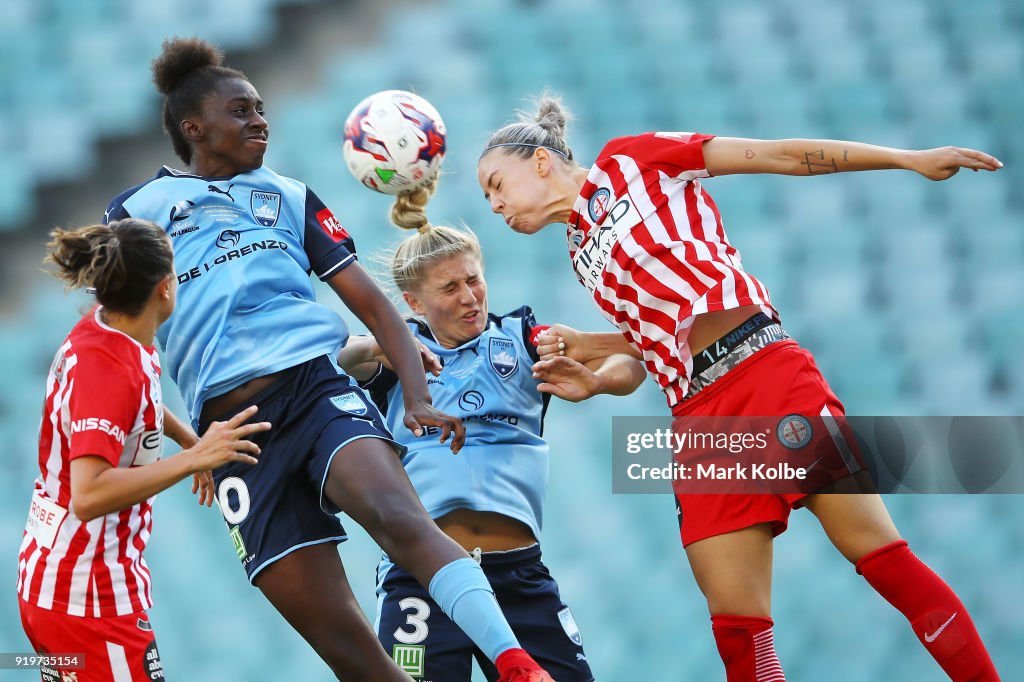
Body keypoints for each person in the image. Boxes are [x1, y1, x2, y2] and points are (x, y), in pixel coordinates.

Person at [476, 95, 1003, 682]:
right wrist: (596, 375)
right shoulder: (580, 252)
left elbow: (775, 155)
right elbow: (650, 350)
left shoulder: (633, 160)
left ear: (540, 161)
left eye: (497, 184)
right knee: (740, 639)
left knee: (883, 561)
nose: (494, 205)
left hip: (765, 372)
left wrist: (906, 159)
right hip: (698, 417)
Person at [101, 37, 554, 681]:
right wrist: (191, 443)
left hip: (314, 390)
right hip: (234, 440)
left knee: (400, 518)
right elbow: (123, 339)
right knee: (344, 643)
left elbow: (371, 301)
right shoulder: (134, 213)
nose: (259, 120)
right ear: (193, 127)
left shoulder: (289, 195)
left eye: (260, 108)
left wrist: (419, 397)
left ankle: (516, 665)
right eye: (241, 111)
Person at [336, 178, 647, 681]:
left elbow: (631, 356)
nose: (470, 297)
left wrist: (595, 382)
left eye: (474, 280)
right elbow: (339, 360)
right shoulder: (398, 353)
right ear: (414, 303)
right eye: (450, 288)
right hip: (421, 580)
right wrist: (380, 345)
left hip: (517, 577)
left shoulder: (524, 339)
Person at [18, 219, 270, 682]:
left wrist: (185, 437)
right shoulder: (109, 369)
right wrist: (195, 458)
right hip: (88, 600)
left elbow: (137, 402)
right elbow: (89, 495)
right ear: (163, 288)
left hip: (57, 584)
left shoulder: (108, 330)